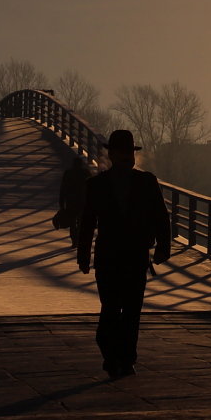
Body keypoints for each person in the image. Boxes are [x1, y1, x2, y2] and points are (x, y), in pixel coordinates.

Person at [76, 129, 172, 378]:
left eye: (127, 152)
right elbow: (87, 222)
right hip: (123, 256)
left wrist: (163, 246)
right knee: (121, 309)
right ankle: (119, 355)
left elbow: (161, 218)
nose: (126, 156)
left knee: (121, 308)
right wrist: (163, 247)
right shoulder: (136, 182)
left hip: (122, 255)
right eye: (125, 152)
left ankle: (119, 357)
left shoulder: (108, 184)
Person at [58, 156, 92, 247]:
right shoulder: (86, 173)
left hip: (71, 201)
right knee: (81, 222)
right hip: (83, 201)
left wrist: (61, 203)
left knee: (72, 222)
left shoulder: (68, 173)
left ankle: (74, 240)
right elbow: (92, 188)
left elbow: (63, 188)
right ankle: (79, 238)